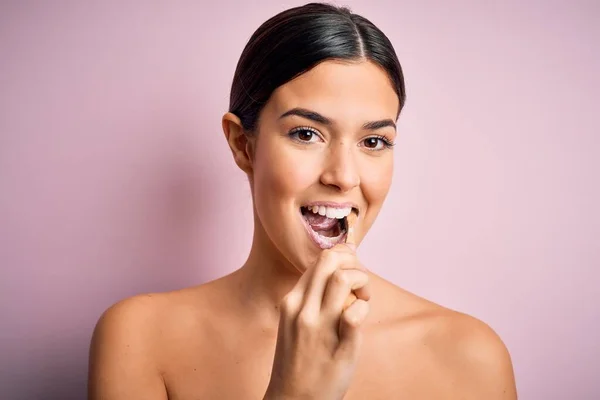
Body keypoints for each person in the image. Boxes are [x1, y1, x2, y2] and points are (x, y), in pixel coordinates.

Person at [88, 3, 517, 399]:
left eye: (373, 140)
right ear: (243, 145)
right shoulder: (141, 339)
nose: (344, 177)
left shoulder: (470, 356)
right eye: (306, 134)